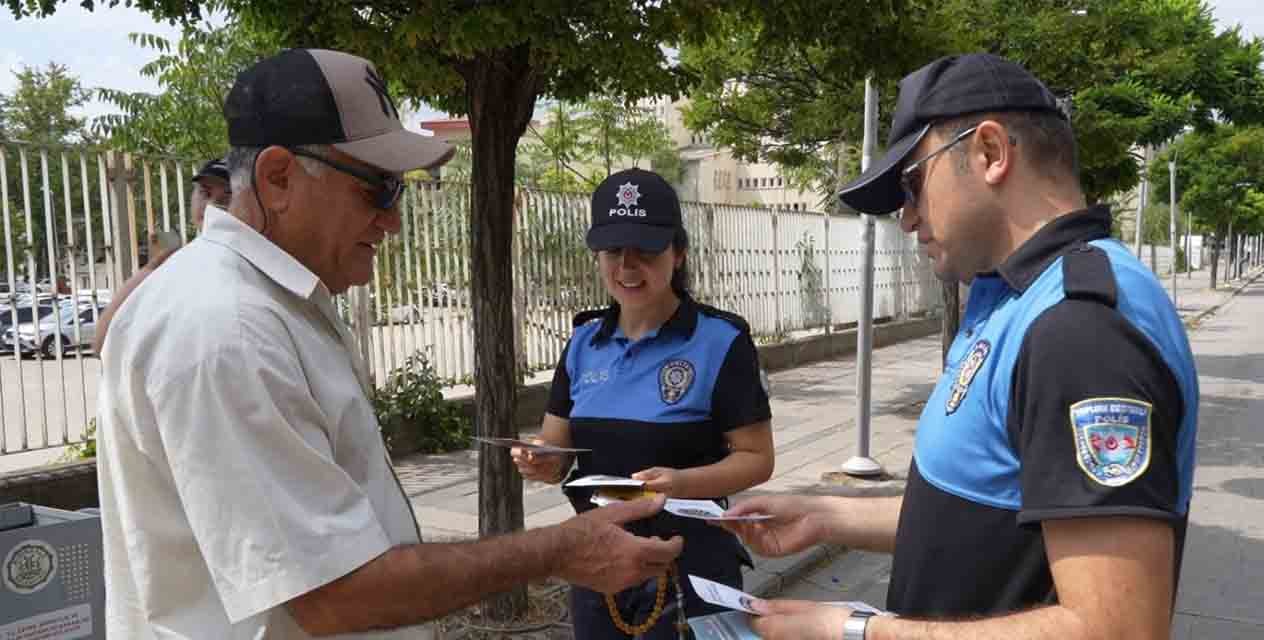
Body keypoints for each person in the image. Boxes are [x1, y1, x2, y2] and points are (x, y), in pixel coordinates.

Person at [96, 49, 683, 640]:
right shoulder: (229, 328)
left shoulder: (272, 304)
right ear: (278, 178)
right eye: (378, 188)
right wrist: (559, 550)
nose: (394, 221)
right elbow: (333, 595)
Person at [719, 53, 1199, 640]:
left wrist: (854, 631)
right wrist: (823, 516)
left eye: (912, 184)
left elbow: (1116, 628)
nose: (908, 218)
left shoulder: (1079, 331)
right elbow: (987, 516)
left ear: (991, 153)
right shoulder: (1016, 301)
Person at [512, 168, 775, 639]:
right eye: (614, 252)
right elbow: (558, 453)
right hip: (597, 565)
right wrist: (540, 460)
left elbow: (757, 459)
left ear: (679, 253)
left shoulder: (720, 341)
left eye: (646, 251)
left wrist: (681, 484)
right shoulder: (583, 343)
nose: (627, 267)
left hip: (689, 569)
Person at [91, 157, 229, 355]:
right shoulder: (179, 265)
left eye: (226, 199)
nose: (211, 206)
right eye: (204, 192)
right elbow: (102, 342)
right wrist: (152, 267)